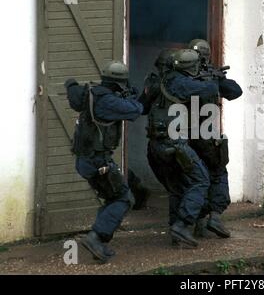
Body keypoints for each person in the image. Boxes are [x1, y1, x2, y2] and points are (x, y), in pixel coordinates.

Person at [65, 60, 143, 263]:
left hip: (86, 160)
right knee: (124, 199)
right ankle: (96, 237)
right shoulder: (108, 102)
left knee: (113, 198)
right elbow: (136, 110)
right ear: (120, 83)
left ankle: (99, 240)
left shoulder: (89, 93)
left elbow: (72, 92)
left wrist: (71, 83)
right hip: (98, 162)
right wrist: (131, 96)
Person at [139, 49, 218, 247]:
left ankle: (176, 231)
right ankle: (182, 225)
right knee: (200, 181)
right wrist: (210, 78)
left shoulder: (157, 83)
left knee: (176, 188)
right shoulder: (180, 83)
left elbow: (142, 107)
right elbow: (210, 90)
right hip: (175, 145)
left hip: (156, 146)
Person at [188, 39, 243, 238]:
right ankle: (215, 217)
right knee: (218, 173)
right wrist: (216, 81)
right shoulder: (207, 78)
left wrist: (218, 78)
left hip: (185, 136)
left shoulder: (181, 77)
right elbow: (235, 92)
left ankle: (198, 221)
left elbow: (235, 91)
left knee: (195, 178)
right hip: (207, 136)